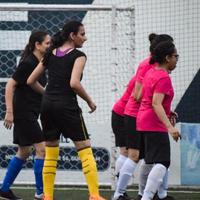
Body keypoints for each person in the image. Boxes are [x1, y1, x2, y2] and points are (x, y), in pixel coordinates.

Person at [27, 20, 106, 200]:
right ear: (73, 36)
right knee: (85, 147)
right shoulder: (79, 55)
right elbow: (74, 84)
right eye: (82, 34)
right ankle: (94, 195)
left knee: (51, 150)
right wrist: (90, 102)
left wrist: (49, 94)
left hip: (47, 106)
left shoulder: (50, 53)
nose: (85, 38)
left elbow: (31, 80)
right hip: (66, 105)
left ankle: (47, 196)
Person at [113, 34, 174, 200]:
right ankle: (119, 194)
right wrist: (163, 117)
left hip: (138, 115)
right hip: (131, 113)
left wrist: (165, 109)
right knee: (133, 155)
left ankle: (151, 194)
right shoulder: (149, 67)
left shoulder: (157, 68)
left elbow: (154, 98)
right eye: (172, 52)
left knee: (146, 158)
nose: (175, 56)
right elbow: (140, 96)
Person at [0, 31, 51, 200]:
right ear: (37, 45)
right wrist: (9, 112)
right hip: (23, 112)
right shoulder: (29, 63)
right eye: (47, 43)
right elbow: (10, 85)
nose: (49, 46)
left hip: (31, 111)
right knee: (41, 149)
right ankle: (40, 194)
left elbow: (35, 88)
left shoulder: (40, 62)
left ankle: (4, 189)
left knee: (23, 151)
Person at [137, 41, 181, 200]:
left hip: (143, 120)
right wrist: (170, 127)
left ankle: (143, 194)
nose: (177, 59)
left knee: (149, 162)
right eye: (175, 56)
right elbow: (155, 103)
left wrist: (168, 111)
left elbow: (146, 98)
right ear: (167, 58)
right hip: (153, 123)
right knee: (162, 162)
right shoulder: (163, 77)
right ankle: (146, 197)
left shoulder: (151, 72)